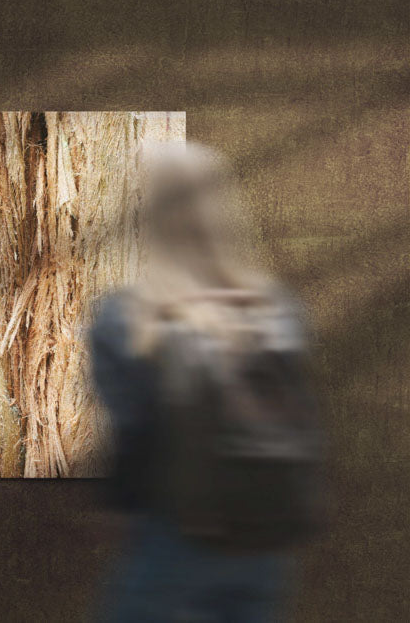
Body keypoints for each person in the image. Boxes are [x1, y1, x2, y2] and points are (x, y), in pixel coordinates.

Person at [91, 143, 322, 622]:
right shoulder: (277, 308)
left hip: (174, 536)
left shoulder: (130, 317)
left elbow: (134, 435)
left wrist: (112, 508)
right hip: (264, 541)